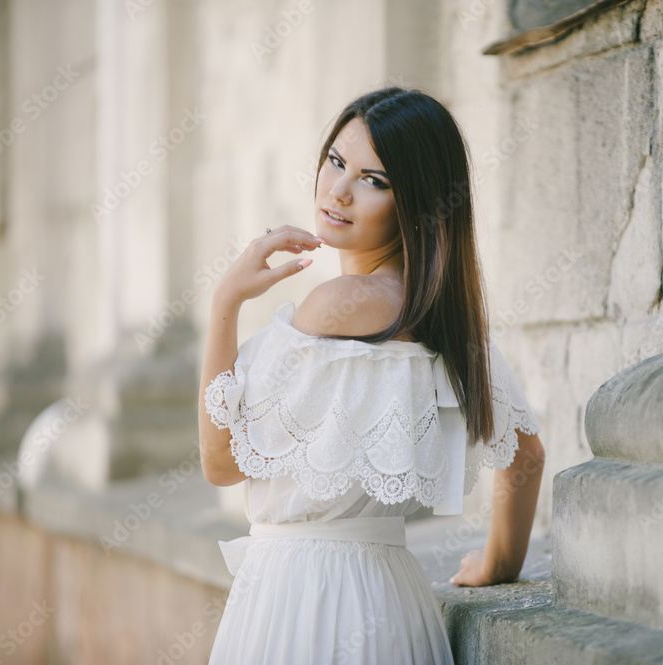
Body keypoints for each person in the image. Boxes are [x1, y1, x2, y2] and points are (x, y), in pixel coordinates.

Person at [197, 87, 545, 664]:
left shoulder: (332, 308)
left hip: (303, 602)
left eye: (374, 181)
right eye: (337, 161)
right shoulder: (442, 314)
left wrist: (225, 303)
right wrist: (497, 564)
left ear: (416, 202)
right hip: (390, 600)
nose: (338, 190)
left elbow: (221, 462)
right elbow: (526, 457)